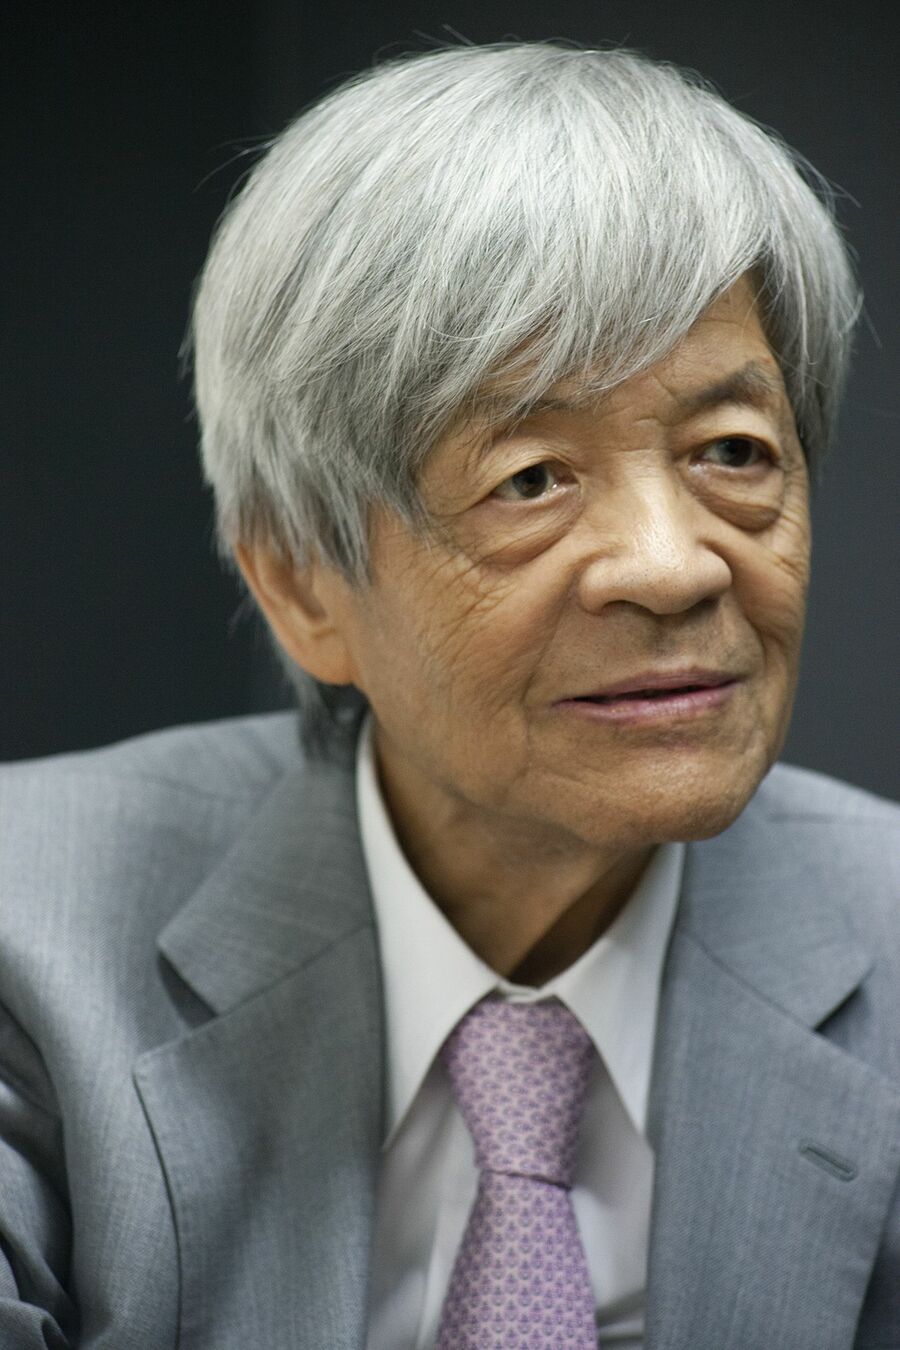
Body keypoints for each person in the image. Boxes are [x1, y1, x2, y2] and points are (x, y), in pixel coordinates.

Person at [1, 41, 898, 1350]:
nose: (675, 565)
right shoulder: (29, 931)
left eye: (732, 451)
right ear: (302, 582)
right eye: (531, 478)